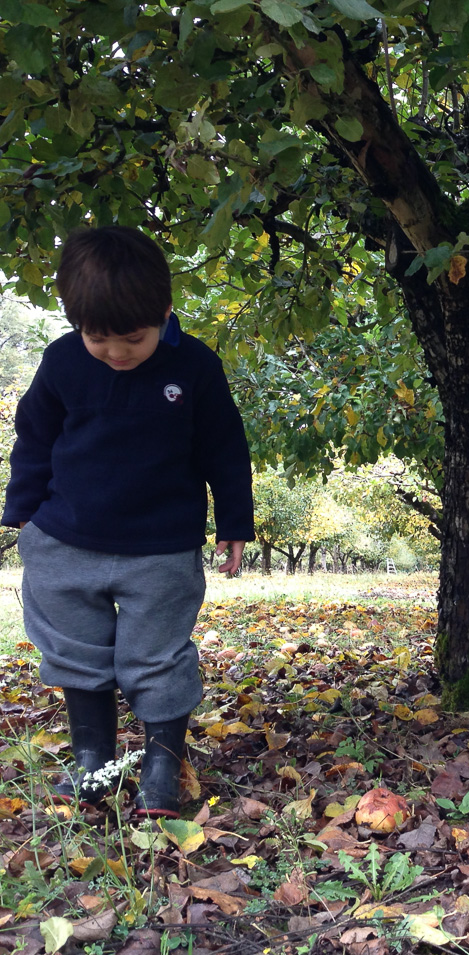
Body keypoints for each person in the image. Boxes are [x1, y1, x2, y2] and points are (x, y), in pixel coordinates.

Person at [2, 226, 254, 817]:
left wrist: (234, 521)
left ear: (163, 313)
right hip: (64, 542)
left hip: (161, 549)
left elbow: (225, 446)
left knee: (157, 656)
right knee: (75, 652)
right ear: (76, 324)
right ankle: (94, 763)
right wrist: (24, 514)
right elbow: (34, 436)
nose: (116, 352)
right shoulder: (63, 361)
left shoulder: (193, 366)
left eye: (132, 340)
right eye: (98, 339)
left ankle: (163, 766)